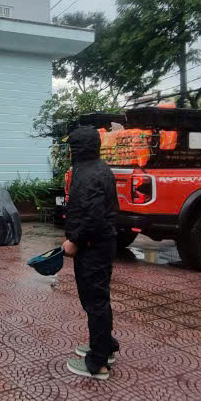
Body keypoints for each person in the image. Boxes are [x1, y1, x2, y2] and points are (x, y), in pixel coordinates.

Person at [63, 126, 119, 380]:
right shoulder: (100, 167)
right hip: (102, 244)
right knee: (99, 298)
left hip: (92, 247)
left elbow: (93, 215)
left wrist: (75, 240)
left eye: (72, 148)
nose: (69, 153)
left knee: (95, 302)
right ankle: (105, 346)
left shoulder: (87, 173)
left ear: (79, 149)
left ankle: (98, 363)